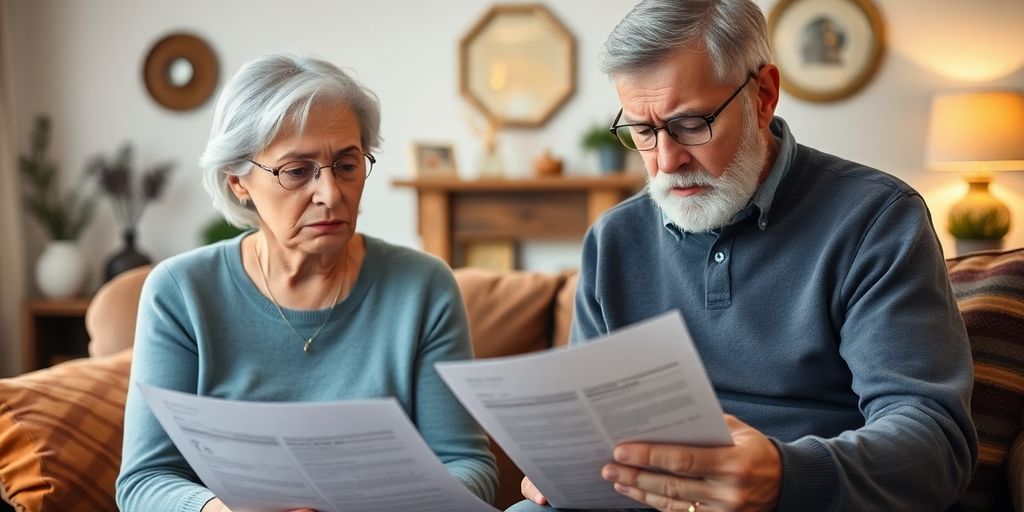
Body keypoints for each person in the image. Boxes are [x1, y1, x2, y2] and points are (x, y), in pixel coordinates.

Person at [512, 1, 976, 511]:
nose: (667, 162)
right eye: (643, 132)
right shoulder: (614, 239)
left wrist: (784, 476)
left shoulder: (877, 219)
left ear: (763, 96)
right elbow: (591, 426)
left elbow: (935, 444)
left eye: (690, 124)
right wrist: (565, 465)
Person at [116, 54, 497, 512]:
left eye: (347, 165)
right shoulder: (182, 292)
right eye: (296, 171)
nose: (331, 193)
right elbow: (144, 481)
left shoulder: (423, 287)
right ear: (238, 180)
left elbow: (468, 464)